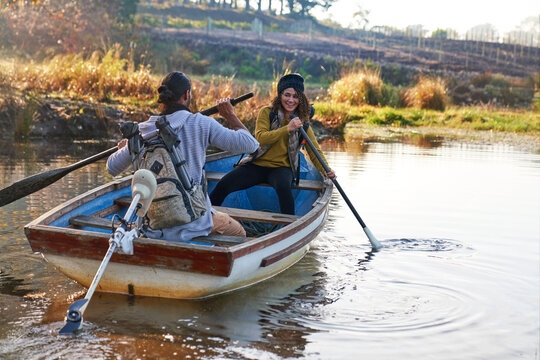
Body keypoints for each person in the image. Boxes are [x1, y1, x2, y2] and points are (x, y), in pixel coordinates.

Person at [107, 71, 259, 241]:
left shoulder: (142, 130)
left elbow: (111, 167)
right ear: (187, 95)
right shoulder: (201, 123)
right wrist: (230, 114)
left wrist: (123, 149)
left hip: (153, 226)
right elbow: (251, 145)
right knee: (239, 233)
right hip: (194, 223)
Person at [210, 73, 335, 215]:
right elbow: (260, 138)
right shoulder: (267, 113)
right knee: (224, 184)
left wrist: (326, 170)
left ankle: (289, 228)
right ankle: (206, 218)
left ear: (301, 99)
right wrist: (287, 128)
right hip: (257, 164)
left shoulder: (302, 122)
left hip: (282, 168)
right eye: (287, 95)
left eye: (295, 96)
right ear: (280, 95)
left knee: (284, 190)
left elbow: (314, 150)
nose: (291, 100)